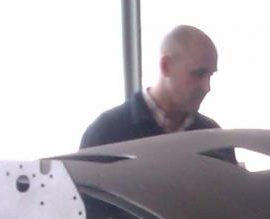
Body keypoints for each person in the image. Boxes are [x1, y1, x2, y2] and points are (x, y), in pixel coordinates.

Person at [80, 25, 220, 149]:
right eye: (198, 74)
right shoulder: (106, 133)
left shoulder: (212, 136)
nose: (206, 87)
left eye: (210, 75)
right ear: (166, 66)